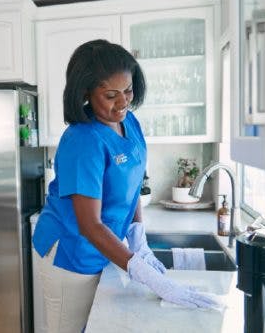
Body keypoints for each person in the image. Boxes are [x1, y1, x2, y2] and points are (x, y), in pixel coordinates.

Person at [32, 39, 220, 333]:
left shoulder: (129, 122)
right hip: (71, 252)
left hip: (105, 248)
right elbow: (89, 225)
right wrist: (140, 269)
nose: (123, 102)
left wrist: (138, 237)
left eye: (128, 90)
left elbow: (133, 185)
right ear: (85, 93)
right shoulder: (83, 141)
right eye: (110, 94)